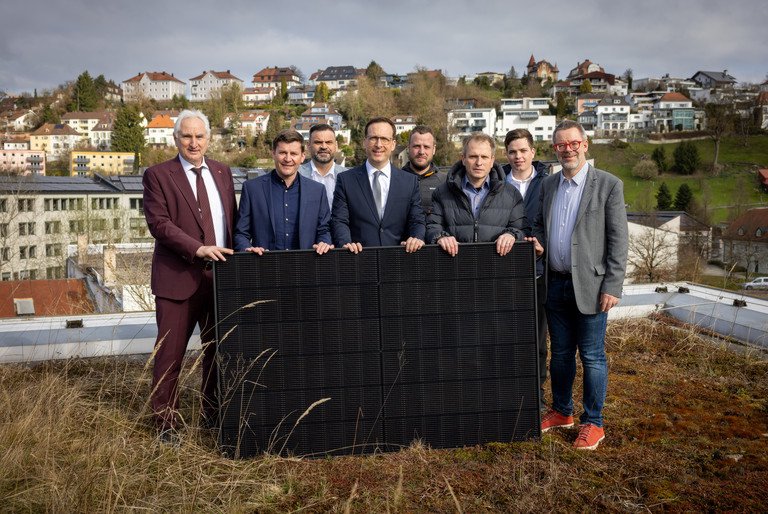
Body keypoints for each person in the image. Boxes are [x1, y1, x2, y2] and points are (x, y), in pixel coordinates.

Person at [142, 109, 237, 443]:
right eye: (187, 136)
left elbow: (231, 221)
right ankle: (166, 423)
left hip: (220, 279)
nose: (193, 142)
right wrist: (197, 249)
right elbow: (159, 224)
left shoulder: (224, 173)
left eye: (199, 136)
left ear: (208, 138)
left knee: (217, 352)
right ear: (175, 139)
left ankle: (212, 416)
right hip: (178, 278)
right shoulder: (158, 175)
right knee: (170, 354)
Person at [533, 120, 628, 450]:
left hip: (592, 286)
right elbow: (541, 227)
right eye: (561, 145)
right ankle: (562, 411)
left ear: (585, 145)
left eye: (573, 143)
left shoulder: (608, 185)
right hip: (555, 283)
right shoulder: (547, 186)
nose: (568, 150)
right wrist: (540, 244)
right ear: (555, 150)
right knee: (559, 355)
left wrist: (613, 285)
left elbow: (619, 239)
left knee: (592, 356)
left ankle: (594, 422)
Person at [503, 129, 550, 411]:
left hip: (537, 272)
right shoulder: (497, 183)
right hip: (503, 273)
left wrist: (541, 243)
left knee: (537, 339)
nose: (518, 156)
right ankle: (506, 391)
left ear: (533, 152)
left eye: (523, 151)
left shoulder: (548, 183)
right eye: (512, 152)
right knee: (504, 337)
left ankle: (537, 396)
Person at [331, 117, 425, 253]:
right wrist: (345, 243)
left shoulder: (409, 182)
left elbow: (417, 220)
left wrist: (416, 238)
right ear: (365, 142)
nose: (378, 144)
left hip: (400, 259)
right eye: (373, 138)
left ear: (393, 144)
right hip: (358, 258)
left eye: (384, 139)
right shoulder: (346, 180)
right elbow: (339, 221)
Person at [426, 132, 528, 257]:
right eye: (473, 156)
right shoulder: (442, 193)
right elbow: (432, 226)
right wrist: (440, 237)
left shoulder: (511, 194)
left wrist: (511, 235)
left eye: (484, 157)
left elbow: (522, 230)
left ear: (492, 161)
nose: (479, 162)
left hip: (496, 267)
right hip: (454, 266)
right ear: (463, 159)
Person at [234, 129, 332, 254]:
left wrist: (324, 243)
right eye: (282, 153)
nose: (288, 159)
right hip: (264, 267)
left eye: (294, 153)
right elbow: (241, 233)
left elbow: (324, 230)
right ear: (273, 153)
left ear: (302, 157)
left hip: (306, 267)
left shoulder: (317, 191)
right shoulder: (252, 189)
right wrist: (247, 249)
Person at [298, 123, 347, 210]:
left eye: (328, 142)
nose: (324, 147)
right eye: (318, 142)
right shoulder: (297, 175)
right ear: (308, 145)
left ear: (336, 146)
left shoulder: (348, 177)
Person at [401, 125, 444, 215]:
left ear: (434, 149)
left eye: (426, 147)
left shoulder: (446, 183)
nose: (421, 152)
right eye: (416, 146)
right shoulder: (395, 180)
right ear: (408, 148)